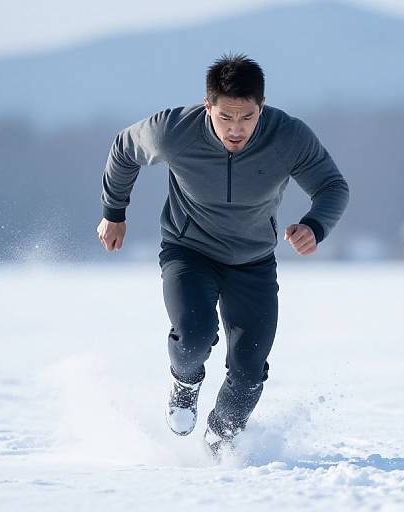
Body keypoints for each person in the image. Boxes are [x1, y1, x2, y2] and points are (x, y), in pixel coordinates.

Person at [97, 52, 349, 459]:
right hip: (189, 250)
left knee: (250, 368)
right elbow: (124, 149)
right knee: (194, 335)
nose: (236, 129)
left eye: (247, 117)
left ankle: (220, 442)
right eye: (225, 116)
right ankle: (185, 381)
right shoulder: (173, 130)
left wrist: (314, 226)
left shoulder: (288, 136)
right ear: (207, 105)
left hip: (253, 261)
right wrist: (114, 212)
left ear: (260, 107)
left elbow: (333, 186)